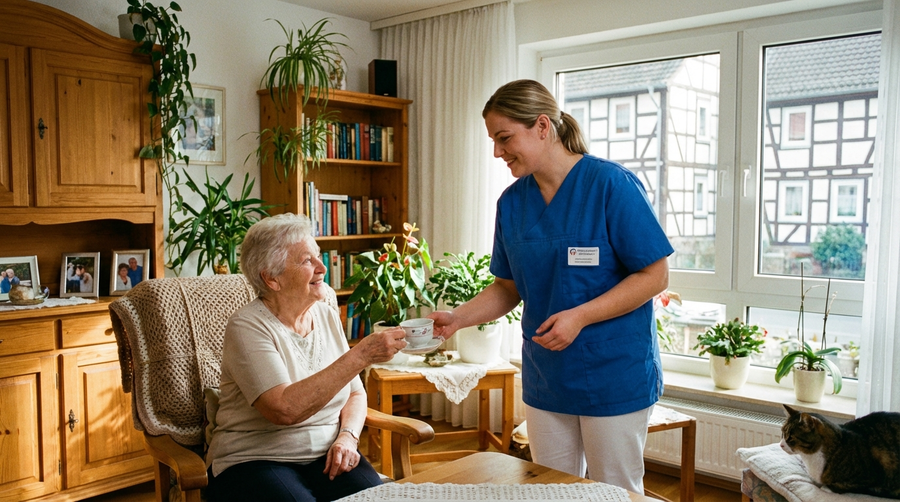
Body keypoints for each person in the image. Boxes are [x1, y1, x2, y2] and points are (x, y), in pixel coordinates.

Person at [427, 80, 674, 494]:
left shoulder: (610, 186)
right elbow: (507, 288)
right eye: (493, 140)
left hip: (613, 371)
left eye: (504, 138)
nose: (497, 152)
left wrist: (580, 316)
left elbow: (655, 276)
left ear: (542, 126)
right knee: (552, 490)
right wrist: (456, 318)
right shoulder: (512, 203)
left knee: (613, 490)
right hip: (547, 375)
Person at [205, 213, 408, 502]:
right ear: (271, 278)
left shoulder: (325, 313)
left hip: (327, 452)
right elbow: (284, 410)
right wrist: (360, 355)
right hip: (254, 458)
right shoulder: (247, 326)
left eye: (319, 256)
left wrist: (348, 437)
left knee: (376, 498)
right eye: (306, 261)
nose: (322, 268)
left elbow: (354, 393)